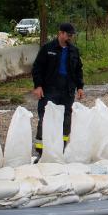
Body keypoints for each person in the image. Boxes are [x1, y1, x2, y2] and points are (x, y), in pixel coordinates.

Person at [31, 23, 84, 157]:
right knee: (46, 118)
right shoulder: (48, 48)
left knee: (66, 120)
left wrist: (80, 87)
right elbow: (37, 68)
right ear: (60, 33)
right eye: (68, 35)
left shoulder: (74, 51)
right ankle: (41, 152)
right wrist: (38, 86)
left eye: (72, 35)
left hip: (67, 90)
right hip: (50, 90)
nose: (70, 38)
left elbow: (78, 70)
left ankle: (61, 149)